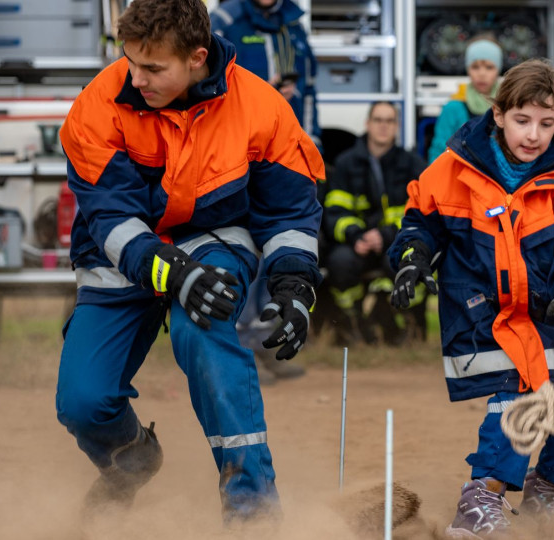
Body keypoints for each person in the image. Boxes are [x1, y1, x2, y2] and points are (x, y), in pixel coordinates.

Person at [54, 0, 323, 529]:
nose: (136, 78)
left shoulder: (262, 107)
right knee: (82, 402)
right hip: (119, 258)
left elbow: (290, 212)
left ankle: (252, 508)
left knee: (205, 331)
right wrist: (172, 273)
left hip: (213, 239)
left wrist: (293, 286)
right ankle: (129, 460)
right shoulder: (97, 105)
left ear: (197, 57)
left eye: (153, 68)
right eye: (130, 61)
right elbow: (110, 220)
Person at [388, 59, 554, 538]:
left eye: (547, 123)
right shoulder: (453, 167)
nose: (534, 135)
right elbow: (419, 223)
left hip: (553, 306)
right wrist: (412, 258)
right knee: (521, 392)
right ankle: (480, 499)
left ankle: (546, 490)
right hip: (483, 307)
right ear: (498, 114)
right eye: (522, 120)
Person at [210, 0, 321, 383]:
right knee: (239, 247)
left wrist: (312, 143)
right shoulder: (224, 20)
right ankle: (238, 349)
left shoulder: (294, 25)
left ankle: (268, 341)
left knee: (276, 245)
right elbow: (211, 89)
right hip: (237, 156)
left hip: (286, 156)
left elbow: (309, 92)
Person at [323, 101, 426, 345]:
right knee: (339, 263)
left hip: (395, 241)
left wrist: (387, 234)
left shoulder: (412, 164)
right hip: (357, 244)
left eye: (389, 121)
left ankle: (407, 322)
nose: (383, 126)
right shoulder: (346, 163)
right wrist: (355, 235)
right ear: (367, 124)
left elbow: (421, 212)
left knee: (408, 262)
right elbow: (334, 211)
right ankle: (352, 322)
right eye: (378, 120)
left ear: (397, 126)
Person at [210, 0, 320, 149]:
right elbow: (208, 87)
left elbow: (308, 89)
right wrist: (262, 95)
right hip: (239, 144)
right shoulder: (224, 19)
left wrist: (311, 143)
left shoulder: (294, 22)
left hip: (288, 143)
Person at [427, 37, 502, 162]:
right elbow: (438, 150)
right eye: (475, 67)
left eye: (489, 67)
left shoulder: (507, 106)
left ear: (498, 70)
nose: (482, 73)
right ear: (467, 69)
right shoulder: (453, 107)